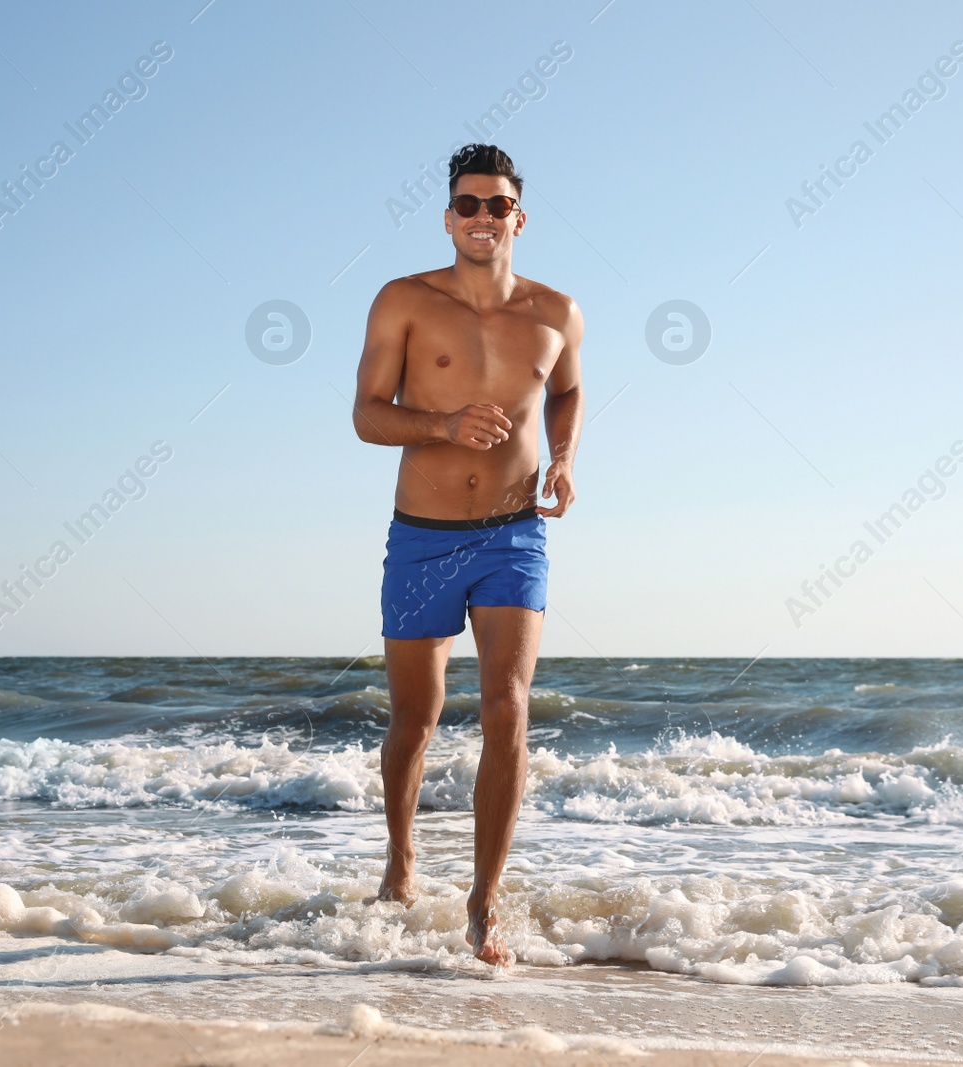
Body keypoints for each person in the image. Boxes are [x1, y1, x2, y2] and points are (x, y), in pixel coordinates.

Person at [351, 143, 584, 966]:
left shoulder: (558, 313)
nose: (482, 216)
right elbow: (367, 416)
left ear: (519, 215)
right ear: (449, 217)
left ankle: (485, 900)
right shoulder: (404, 301)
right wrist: (443, 426)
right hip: (422, 536)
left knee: (508, 708)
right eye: (467, 204)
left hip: (515, 533)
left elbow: (568, 389)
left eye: (497, 204)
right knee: (414, 719)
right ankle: (401, 857)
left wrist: (562, 455)